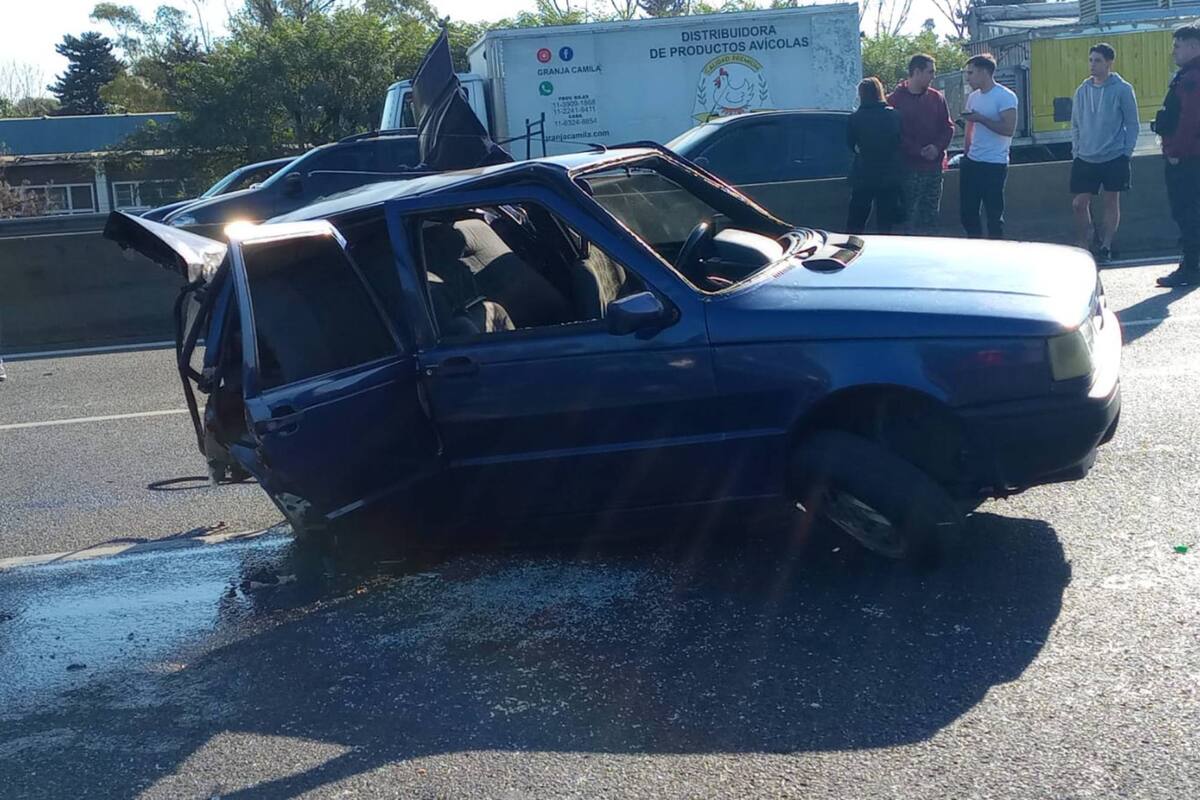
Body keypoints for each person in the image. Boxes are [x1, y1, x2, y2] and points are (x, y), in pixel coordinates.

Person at [1069, 43, 1139, 264]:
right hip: (1085, 156)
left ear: (1109, 63)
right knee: (1079, 203)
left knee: (1111, 201)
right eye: (1090, 60)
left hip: (1114, 155)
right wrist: (1076, 150)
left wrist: (1126, 152)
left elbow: (1132, 124)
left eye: (1097, 60)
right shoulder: (1082, 90)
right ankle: (1085, 242)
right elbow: (1075, 124)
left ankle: (1106, 245)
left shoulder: (1122, 89)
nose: (1092, 65)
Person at [887, 53, 955, 235]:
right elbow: (894, 135)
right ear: (916, 72)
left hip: (934, 168)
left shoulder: (937, 98)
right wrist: (918, 151)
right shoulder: (893, 101)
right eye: (930, 72)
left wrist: (937, 147)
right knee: (908, 216)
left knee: (930, 215)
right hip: (907, 169)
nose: (933, 76)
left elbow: (948, 127)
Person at [1155, 24, 1200, 288]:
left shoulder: (1192, 78)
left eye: (1178, 46)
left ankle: (1191, 266)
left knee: (1187, 212)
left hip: (1187, 158)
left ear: (1194, 47)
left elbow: (1189, 121)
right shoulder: (1189, 76)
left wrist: (1175, 152)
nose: (1173, 52)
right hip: (1190, 155)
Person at [959, 54, 1018, 239]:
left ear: (985, 72)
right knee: (968, 213)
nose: (968, 77)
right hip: (972, 162)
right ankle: (975, 248)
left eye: (971, 73)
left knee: (993, 215)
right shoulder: (973, 97)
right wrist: (966, 153)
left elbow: (1008, 129)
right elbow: (970, 125)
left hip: (994, 163)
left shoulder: (1005, 96)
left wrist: (982, 119)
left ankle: (996, 250)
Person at [845, 76, 903, 234]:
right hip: (888, 174)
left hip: (863, 174)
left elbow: (851, 145)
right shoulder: (894, 116)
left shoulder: (855, 118)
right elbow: (899, 142)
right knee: (885, 224)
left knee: (856, 221)